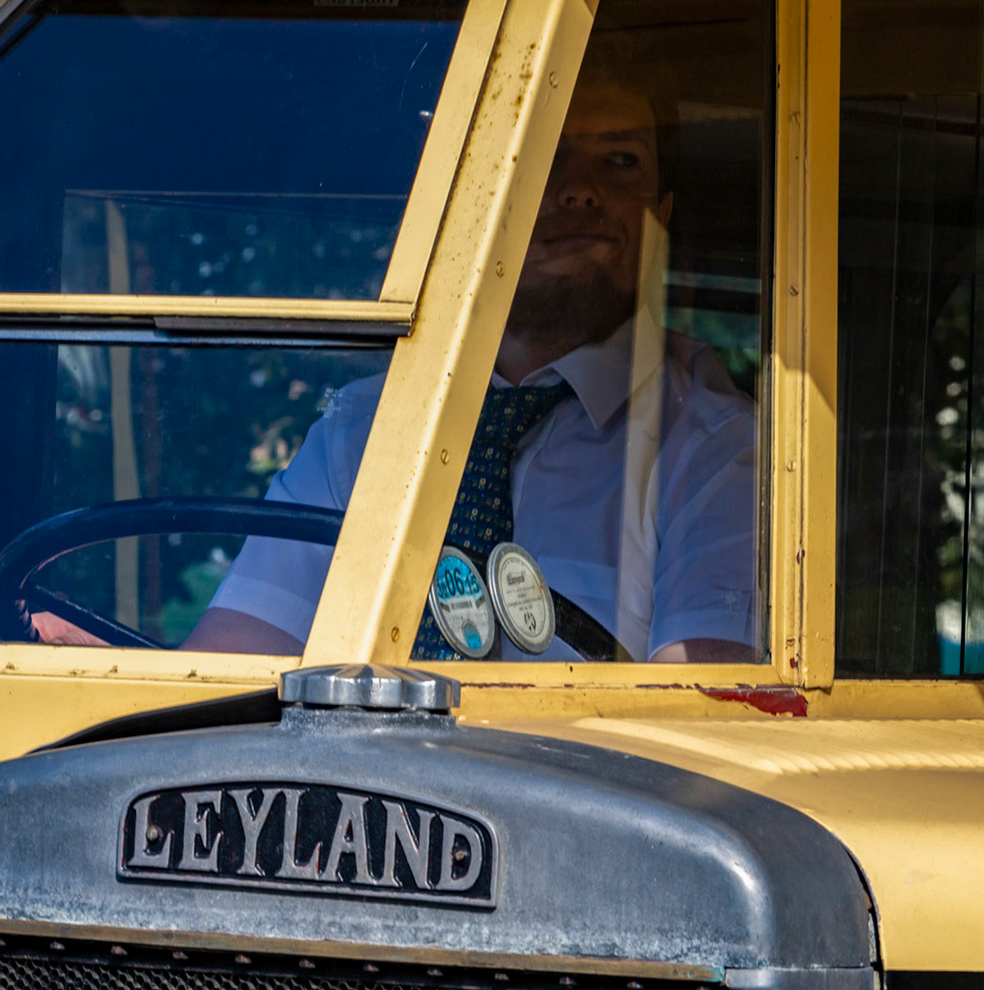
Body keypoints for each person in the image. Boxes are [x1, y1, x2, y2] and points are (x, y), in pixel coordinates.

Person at [183, 38, 760, 663]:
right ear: (478, 199)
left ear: (660, 213)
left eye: (621, 160)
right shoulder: (365, 432)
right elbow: (232, 665)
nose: (580, 190)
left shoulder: (715, 449)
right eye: (542, 156)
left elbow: (695, 704)